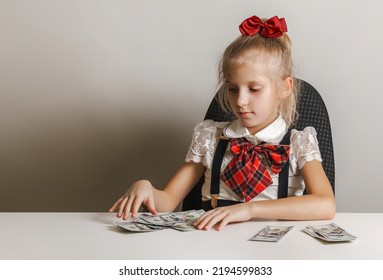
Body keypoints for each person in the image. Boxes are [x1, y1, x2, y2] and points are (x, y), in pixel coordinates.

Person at [109, 15, 336, 230]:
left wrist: (249, 210)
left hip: (277, 249)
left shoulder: (299, 143)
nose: (241, 100)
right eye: (232, 89)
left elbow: (326, 205)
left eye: (254, 89)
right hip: (214, 244)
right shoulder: (210, 138)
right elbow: (167, 201)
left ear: (285, 87)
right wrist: (146, 188)